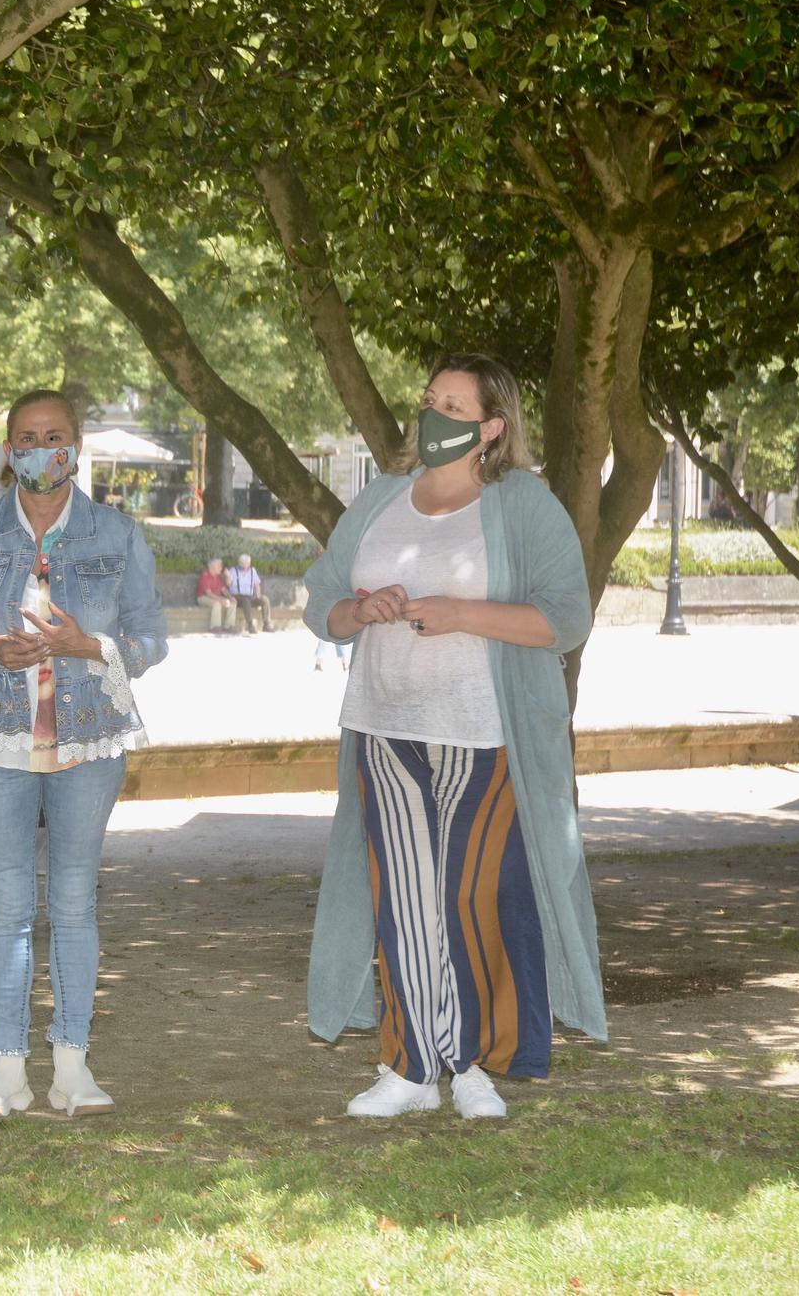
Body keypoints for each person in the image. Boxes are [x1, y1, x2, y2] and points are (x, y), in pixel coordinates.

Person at [302, 352, 601, 1122]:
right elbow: (324, 604)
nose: (433, 414)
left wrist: (462, 612)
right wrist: (359, 612)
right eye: (430, 398)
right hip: (381, 726)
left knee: (468, 894)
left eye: (454, 407)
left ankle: (468, 1062)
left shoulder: (524, 505)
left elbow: (566, 617)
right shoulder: (379, 498)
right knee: (403, 899)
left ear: (492, 428)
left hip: (482, 733)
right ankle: (408, 1068)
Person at [0, 390, 168, 1119]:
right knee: (7, 903)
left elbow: (151, 635)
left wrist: (89, 646)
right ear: (9, 450)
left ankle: (73, 1064)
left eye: (56, 436)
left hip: (90, 737)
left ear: (77, 446)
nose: (42, 449)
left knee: (73, 900)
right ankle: (7, 1069)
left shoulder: (116, 532)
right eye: (27, 437)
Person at [225, 552, 273, 633]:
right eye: (243, 564)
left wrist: (258, 594)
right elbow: (228, 584)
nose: (245, 566)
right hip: (237, 597)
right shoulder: (233, 570)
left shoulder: (252, 571)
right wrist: (228, 576)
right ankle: (250, 625)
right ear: (239, 563)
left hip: (250, 596)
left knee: (265, 600)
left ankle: (267, 624)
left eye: (247, 563)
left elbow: (257, 584)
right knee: (245, 600)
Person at [195, 556, 237, 633]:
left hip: (215, 597)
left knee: (232, 603)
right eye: (219, 566)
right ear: (213, 567)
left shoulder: (218, 577)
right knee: (217, 603)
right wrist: (221, 599)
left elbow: (223, 589)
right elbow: (209, 593)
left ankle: (229, 626)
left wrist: (231, 597)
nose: (221, 568)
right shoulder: (205, 575)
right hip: (203, 598)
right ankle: (215, 627)